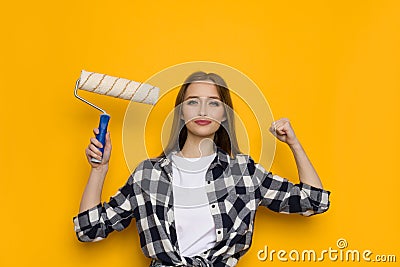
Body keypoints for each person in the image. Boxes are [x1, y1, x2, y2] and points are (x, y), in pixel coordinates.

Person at [73, 71, 331, 267]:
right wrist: (100, 169)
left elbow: (314, 201)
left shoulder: (243, 172)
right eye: (193, 102)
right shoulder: (149, 175)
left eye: (214, 103)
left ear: (224, 115)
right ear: (182, 113)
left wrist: (294, 144)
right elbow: (89, 229)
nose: (203, 110)